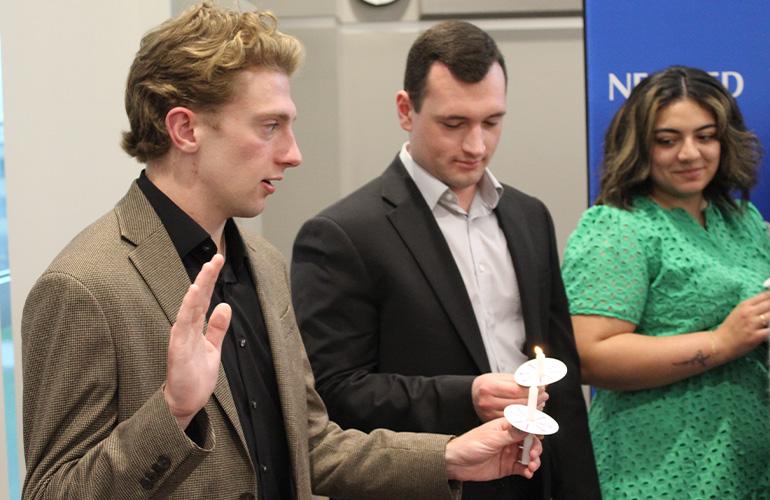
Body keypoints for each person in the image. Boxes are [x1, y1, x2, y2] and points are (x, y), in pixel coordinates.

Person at [20, 4, 545, 500]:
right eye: (269, 126)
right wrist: (173, 412)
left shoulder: (264, 264)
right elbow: (52, 492)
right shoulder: (85, 286)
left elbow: (310, 444)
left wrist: (449, 456)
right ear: (184, 129)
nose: (293, 154)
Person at [291, 20, 599, 500]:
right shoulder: (343, 234)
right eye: (454, 124)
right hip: (429, 482)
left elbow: (562, 372)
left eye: (492, 122)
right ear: (405, 110)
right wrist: (467, 394)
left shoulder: (529, 215)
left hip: (534, 479)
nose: (476, 145)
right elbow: (332, 393)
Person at [561, 65, 770, 499]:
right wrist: (721, 342)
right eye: (667, 140)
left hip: (747, 465)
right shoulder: (617, 226)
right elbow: (588, 356)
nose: (690, 154)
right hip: (657, 470)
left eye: (705, 136)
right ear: (639, 145)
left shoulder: (743, 221)